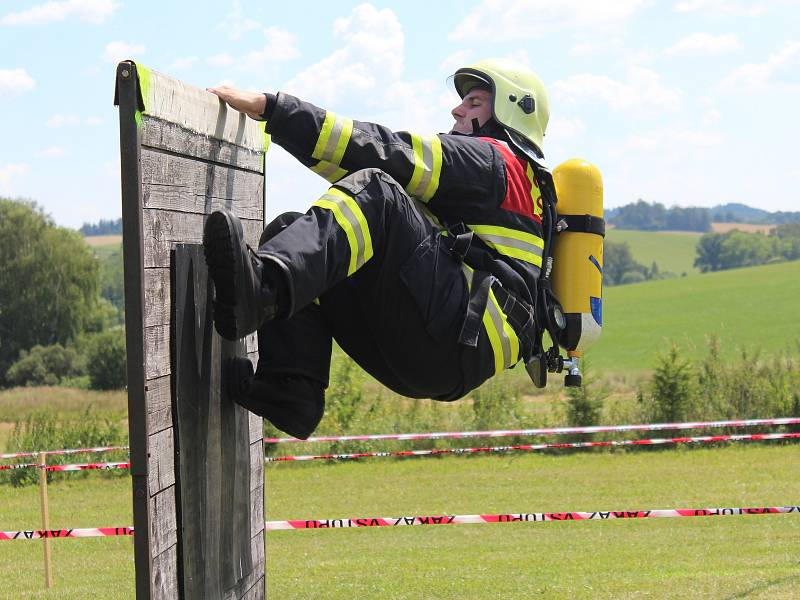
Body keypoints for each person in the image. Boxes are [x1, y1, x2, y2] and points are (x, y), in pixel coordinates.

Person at [204, 58, 551, 439]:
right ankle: (290, 391)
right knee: (294, 236)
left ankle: (263, 287)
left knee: (376, 190)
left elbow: (382, 153)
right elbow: (350, 166)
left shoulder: (491, 159)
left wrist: (272, 108)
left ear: (508, 112)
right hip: (444, 353)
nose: (457, 109)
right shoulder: (525, 186)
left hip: (453, 335)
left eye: (474, 102)